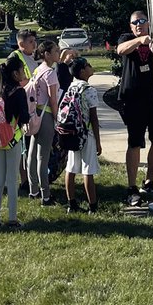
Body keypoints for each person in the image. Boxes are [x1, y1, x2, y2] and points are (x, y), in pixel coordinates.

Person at [116, 10, 153, 207]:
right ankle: (131, 188)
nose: (139, 25)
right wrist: (140, 41)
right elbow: (121, 50)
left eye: (142, 21)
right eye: (135, 23)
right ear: (131, 26)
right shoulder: (127, 39)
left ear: (149, 23)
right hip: (133, 100)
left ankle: (148, 182)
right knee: (135, 142)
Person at [0, 54, 32, 230]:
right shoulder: (18, 92)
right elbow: (24, 117)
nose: (23, 73)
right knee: (12, 178)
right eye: (21, 70)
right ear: (15, 74)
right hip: (13, 138)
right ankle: (12, 219)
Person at [62, 57, 101, 214]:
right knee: (88, 169)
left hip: (71, 133)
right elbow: (94, 117)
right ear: (82, 71)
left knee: (70, 168)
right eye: (88, 65)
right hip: (86, 134)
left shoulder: (70, 87)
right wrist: (98, 141)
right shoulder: (89, 90)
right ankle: (92, 205)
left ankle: (71, 204)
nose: (91, 67)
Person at [27, 38, 60, 204]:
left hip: (34, 114)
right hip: (46, 115)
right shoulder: (50, 72)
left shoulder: (38, 69)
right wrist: (56, 118)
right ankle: (45, 195)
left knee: (32, 154)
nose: (58, 53)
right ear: (47, 54)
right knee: (43, 156)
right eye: (55, 51)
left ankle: (33, 190)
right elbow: (53, 100)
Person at [11, 28, 37, 189]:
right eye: (31, 42)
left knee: (31, 143)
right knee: (22, 145)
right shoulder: (15, 58)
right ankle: (24, 181)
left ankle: (33, 177)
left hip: (33, 106)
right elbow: (11, 84)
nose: (35, 44)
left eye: (35, 41)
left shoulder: (33, 56)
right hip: (20, 107)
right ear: (21, 44)